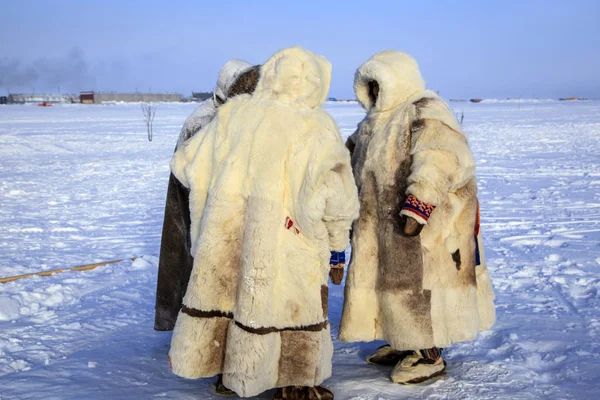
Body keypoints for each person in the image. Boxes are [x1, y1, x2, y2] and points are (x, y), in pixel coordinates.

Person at [167, 47, 359, 399]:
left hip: (229, 238)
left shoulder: (233, 115)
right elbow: (339, 197)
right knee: (288, 306)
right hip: (291, 237)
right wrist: (336, 245)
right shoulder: (317, 126)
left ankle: (233, 374)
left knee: (237, 296)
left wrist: (226, 202)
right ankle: (295, 385)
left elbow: (185, 165)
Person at [339, 50, 496, 384]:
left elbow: (441, 157)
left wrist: (420, 203)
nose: (375, 92)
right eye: (370, 87)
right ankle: (404, 339)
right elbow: (347, 156)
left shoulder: (424, 109)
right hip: (380, 224)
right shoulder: (372, 123)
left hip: (426, 225)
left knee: (419, 285)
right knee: (390, 281)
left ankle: (428, 352)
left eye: (379, 84)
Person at [154, 60, 261, 331]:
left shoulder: (241, 120)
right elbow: (191, 171)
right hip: (197, 209)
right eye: (243, 90)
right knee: (195, 271)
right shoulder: (203, 120)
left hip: (227, 210)